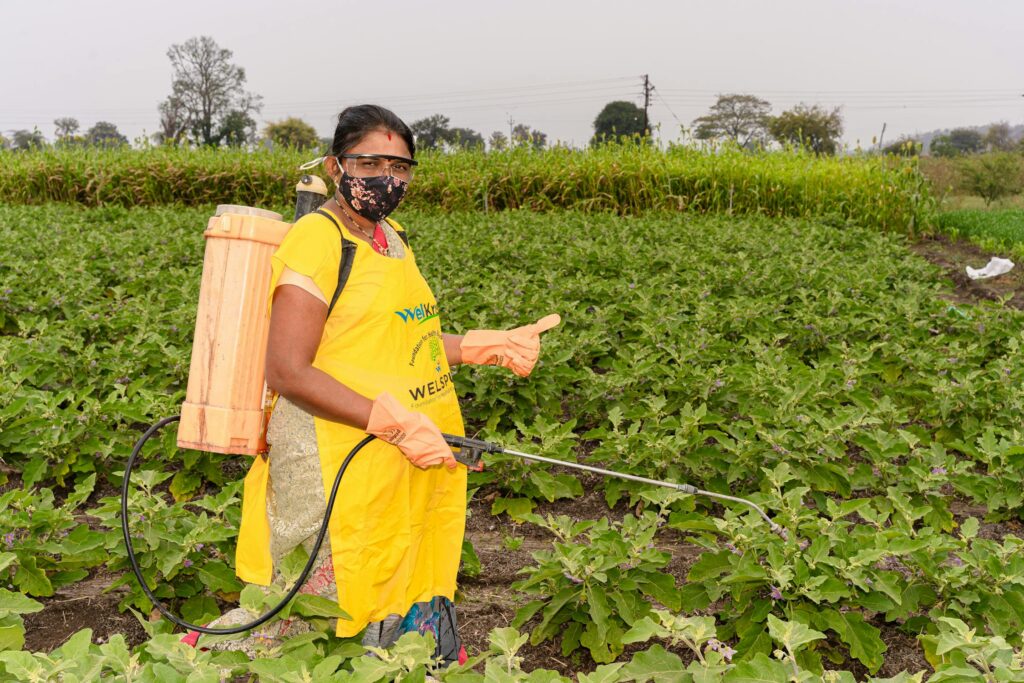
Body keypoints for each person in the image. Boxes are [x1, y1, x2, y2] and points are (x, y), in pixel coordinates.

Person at [190, 104, 559, 663]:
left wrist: (487, 345)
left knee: (397, 566)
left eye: (401, 166)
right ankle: (198, 666)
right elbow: (288, 370)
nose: (387, 177)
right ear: (338, 167)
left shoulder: (391, 238)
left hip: (402, 443)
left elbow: (403, 337)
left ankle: (389, 666)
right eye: (371, 163)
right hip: (332, 448)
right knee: (313, 599)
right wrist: (388, 423)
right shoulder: (319, 240)